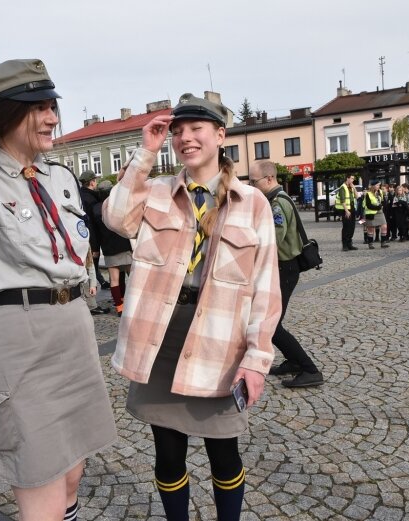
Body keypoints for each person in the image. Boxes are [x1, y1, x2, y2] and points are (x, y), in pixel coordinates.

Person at [0, 58, 116, 521]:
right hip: (19, 332)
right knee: (37, 477)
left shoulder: (59, 175)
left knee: (72, 469)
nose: (52, 117)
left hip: (73, 327)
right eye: (39, 108)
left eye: (53, 106)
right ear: (8, 114)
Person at [104, 93, 281, 521]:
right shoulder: (157, 192)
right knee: (168, 454)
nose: (185, 137)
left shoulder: (252, 202)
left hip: (220, 340)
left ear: (220, 135)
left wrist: (257, 360)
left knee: (224, 452)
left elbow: (265, 288)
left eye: (196, 128)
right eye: (178, 131)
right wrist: (146, 150)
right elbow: (115, 217)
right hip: (160, 335)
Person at [250, 160, 323, 388]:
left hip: (284, 268)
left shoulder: (277, 204)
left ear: (269, 179)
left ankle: (310, 369)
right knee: (271, 322)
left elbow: (272, 238)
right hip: (282, 268)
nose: (251, 186)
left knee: (270, 324)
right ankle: (292, 361)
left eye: (254, 181)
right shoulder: (275, 200)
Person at [95, 178, 133, 316]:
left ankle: (119, 307)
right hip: (124, 244)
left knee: (114, 280)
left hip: (109, 248)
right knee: (133, 277)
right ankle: (133, 305)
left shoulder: (96, 209)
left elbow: (95, 232)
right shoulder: (120, 205)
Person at [78, 170, 110, 290]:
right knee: (92, 266)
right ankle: (92, 297)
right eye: (95, 180)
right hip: (92, 237)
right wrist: (95, 246)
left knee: (91, 266)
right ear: (92, 182)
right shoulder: (90, 199)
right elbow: (91, 224)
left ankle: (100, 282)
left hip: (84, 234)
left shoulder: (80, 195)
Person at [362, 180, 390, 250]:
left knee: (384, 226)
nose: (378, 186)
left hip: (380, 212)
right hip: (371, 213)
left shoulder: (380, 192)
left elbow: (382, 201)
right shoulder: (368, 194)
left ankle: (383, 242)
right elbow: (368, 205)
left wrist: (383, 204)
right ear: (373, 186)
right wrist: (378, 207)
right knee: (371, 229)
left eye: (379, 185)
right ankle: (370, 244)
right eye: (377, 185)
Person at [335, 174, 358, 251]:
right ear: (347, 178)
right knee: (346, 227)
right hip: (346, 210)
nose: (353, 180)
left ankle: (349, 244)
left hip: (352, 208)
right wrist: (346, 211)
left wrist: (354, 188)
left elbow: (357, 197)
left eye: (353, 179)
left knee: (352, 227)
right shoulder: (343, 187)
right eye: (351, 178)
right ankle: (345, 245)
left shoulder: (351, 187)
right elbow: (342, 200)